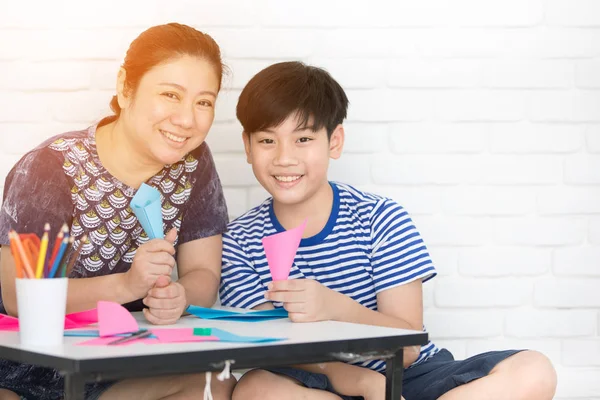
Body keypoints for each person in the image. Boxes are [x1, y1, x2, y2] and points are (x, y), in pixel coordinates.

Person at [219, 61, 558, 400]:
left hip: (410, 377)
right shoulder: (239, 241)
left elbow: (408, 346)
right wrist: (357, 380)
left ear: (334, 141)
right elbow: (264, 347)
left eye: (303, 138)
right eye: (267, 140)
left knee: (533, 371)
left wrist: (335, 308)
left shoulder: (379, 219)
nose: (284, 158)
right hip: (315, 384)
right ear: (248, 146)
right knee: (254, 389)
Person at [0, 23, 235, 400]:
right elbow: (18, 298)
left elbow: (203, 273)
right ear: (126, 87)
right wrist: (128, 285)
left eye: (204, 102)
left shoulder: (193, 163)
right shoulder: (50, 167)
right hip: (25, 366)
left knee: (215, 383)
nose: (188, 119)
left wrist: (180, 295)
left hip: (118, 363)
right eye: (171, 95)